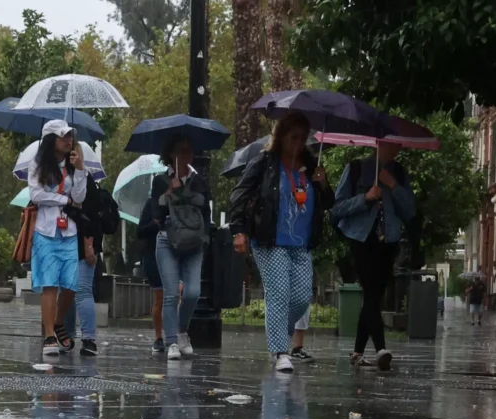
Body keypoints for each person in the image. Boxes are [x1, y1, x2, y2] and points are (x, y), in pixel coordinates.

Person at [229, 111, 332, 372]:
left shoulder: (310, 165)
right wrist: (238, 230)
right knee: (279, 294)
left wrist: (323, 183)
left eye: (303, 138)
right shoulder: (266, 161)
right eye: (293, 137)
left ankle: (276, 333)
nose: (298, 144)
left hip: (301, 242)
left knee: (300, 299)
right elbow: (239, 194)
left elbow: (329, 203)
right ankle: (279, 352)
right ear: (282, 136)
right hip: (270, 239)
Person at [331, 140, 415, 370]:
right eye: (391, 143)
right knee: (370, 292)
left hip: (388, 241)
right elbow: (337, 208)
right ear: (378, 143)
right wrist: (365, 198)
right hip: (361, 238)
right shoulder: (356, 168)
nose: (396, 148)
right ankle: (380, 349)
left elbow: (410, 210)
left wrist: (393, 186)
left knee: (373, 297)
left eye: (398, 145)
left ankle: (358, 352)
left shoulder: (398, 172)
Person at [29, 120, 88, 357]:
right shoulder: (38, 164)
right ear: (51, 139)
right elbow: (36, 195)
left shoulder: (74, 165)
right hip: (46, 231)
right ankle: (49, 334)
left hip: (69, 231)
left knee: (71, 285)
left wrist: (81, 169)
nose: (68, 140)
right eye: (63, 136)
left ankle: (57, 321)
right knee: (50, 284)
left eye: (70, 136)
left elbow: (80, 198)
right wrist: (63, 200)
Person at [152, 135, 212, 362]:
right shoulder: (159, 181)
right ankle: (172, 342)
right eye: (179, 152)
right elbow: (156, 216)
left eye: (188, 152)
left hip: (194, 243)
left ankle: (182, 330)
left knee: (193, 292)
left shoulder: (200, 182)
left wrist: (205, 236)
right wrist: (168, 194)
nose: (184, 157)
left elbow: (206, 211)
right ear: (170, 156)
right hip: (168, 240)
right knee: (170, 294)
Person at [63, 177, 121, 356]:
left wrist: (89, 246)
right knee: (66, 291)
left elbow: (91, 219)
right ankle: (68, 335)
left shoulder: (84, 182)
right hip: (63, 241)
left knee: (81, 290)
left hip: (83, 243)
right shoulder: (59, 178)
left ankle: (87, 338)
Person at [136, 194, 166, 354]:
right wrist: (155, 224)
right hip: (153, 255)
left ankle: (176, 335)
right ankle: (158, 337)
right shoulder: (152, 204)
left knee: (176, 297)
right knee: (159, 298)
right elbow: (140, 231)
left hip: (175, 251)